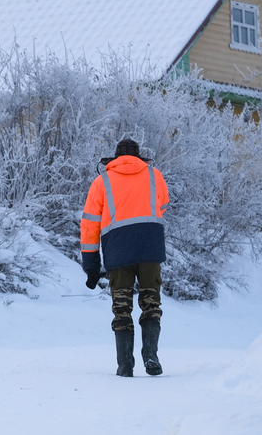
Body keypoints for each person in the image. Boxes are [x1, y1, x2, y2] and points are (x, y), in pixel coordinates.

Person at [80, 138, 169, 377]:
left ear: (114, 158)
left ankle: (125, 367)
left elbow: (90, 225)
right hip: (150, 248)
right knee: (151, 304)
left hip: (118, 251)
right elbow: (162, 206)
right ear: (139, 157)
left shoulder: (102, 181)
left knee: (122, 310)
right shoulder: (155, 176)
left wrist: (90, 264)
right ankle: (150, 355)